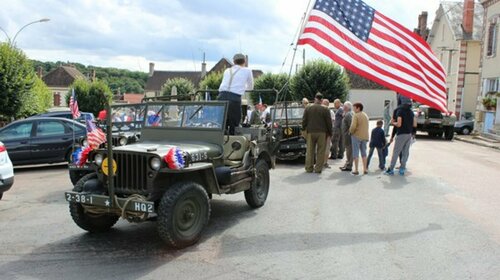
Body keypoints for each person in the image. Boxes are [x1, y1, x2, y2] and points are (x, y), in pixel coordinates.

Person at [218, 53, 254, 135]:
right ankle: (233, 139)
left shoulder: (227, 70)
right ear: (244, 61)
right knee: (234, 123)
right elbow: (250, 87)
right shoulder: (247, 70)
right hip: (234, 98)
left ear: (234, 61)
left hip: (221, 96)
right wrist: (243, 88)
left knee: (222, 121)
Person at [384, 98, 417, 176]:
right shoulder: (411, 112)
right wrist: (413, 133)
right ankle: (402, 169)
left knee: (396, 152)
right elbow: (414, 124)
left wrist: (393, 122)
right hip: (409, 134)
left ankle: (390, 169)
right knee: (405, 152)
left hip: (401, 134)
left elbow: (399, 124)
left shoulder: (399, 111)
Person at [302, 93, 333, 173]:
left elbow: (304, 120)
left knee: (309, 151)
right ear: (321, 100)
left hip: (310, 132)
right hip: (322, 132)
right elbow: (329, 122)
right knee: (321, 151)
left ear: (315, 99)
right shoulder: (325, 109)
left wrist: (303, 129)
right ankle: (318, 168)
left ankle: (309, 168)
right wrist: (330, 133)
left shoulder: (308, 108)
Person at [349, 102, 370, 175]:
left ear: (358, 108)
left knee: (355, 153)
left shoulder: (356, 115)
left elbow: (353, 127)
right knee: (364, 153)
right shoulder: (365, 115)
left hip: (356, 135)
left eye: (354, 107)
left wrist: (350, 132)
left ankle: (356, 169)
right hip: (365, 136)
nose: (353, 109)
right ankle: (365, 169)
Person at [339, 102, 354, 172]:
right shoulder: (348, 114)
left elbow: (351, 125)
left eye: (344, 107)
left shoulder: (349, 114)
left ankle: (349, 165)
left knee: (349, 151)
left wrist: (348, 133)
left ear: (348, 107)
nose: (343, 108)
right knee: (348, 151)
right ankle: (347, 164)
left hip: (348, 136)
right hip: (347, 135)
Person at [322, 99, 334, 168]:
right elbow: (332, 122)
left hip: (322, 131)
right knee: (326, 147)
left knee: (322, 147)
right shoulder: (331, 112)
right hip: (327, 131)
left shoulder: (320, 111)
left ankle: (322, 162)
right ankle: (325, 162)